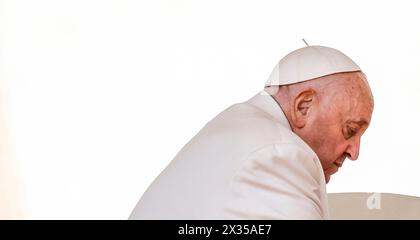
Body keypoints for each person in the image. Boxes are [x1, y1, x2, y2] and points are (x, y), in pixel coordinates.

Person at [129, 45, 374, 219]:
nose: (355, 152)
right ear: (303, 106)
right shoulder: (279, 155)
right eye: (350, 130)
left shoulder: (240, 128)